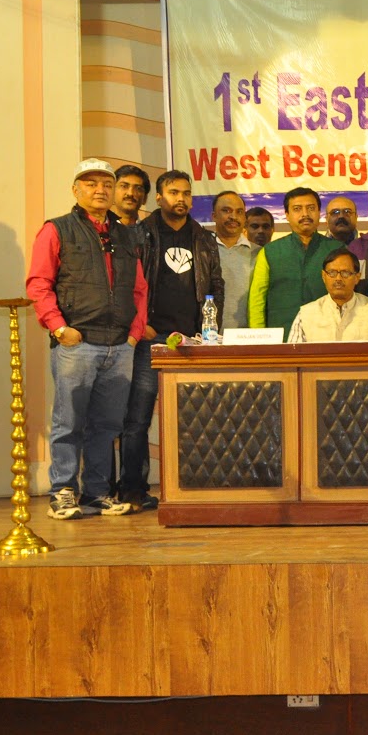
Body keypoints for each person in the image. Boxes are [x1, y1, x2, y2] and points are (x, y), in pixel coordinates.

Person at [25, 158, 147, 519]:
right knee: (69, 423)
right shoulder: (57, 229)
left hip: (120, 346)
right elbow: (38, 283)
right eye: (91, 183)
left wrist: (134, 335)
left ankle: (97, 493)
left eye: (107, 184)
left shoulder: (126, 235)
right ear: (75, 190)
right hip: (76, 344)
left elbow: (140, 289)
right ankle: (63, 492)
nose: (100, 190)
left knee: (107, 426)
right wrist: (59, 328)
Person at [121, 168, 223, 513]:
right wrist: (141, 324)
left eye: (186, 193)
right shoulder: (140, 234)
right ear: (159, 197)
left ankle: (193, 487)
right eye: (174, 193)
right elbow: (127, 284)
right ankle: (133, 490)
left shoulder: (204, 238)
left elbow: (216, 286)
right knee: (138, 417)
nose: (181, 199)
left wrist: (209, 330)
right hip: (151, 338)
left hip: (193, 340)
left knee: (195, 417)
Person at [247, 187, 343, 339]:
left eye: (311, 208)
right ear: (287, 215)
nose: (305, 214)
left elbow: (346, 296)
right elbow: (257, 300)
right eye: (297, 209)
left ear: (319, 212)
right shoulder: (270, 251)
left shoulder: (337, 249)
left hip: (326, 337)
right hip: (280, 338)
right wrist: (259, 338)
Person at [286, 248, 368, 343]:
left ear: (357, 277)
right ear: (324, 276)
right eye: (332, 273)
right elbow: (293, 353)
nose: (338, 278)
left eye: (345, 273)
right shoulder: (306, 314)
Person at [210, 190, 256, 330]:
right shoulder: (201, 251)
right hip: (207, 336)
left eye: (239, 212)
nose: (233, 217)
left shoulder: (260, 253)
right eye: (226, 211)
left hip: (249, 337)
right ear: (214, 216)